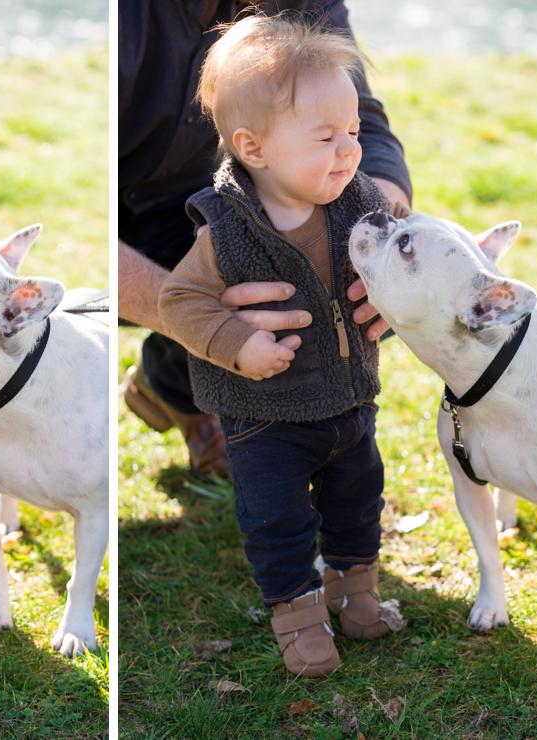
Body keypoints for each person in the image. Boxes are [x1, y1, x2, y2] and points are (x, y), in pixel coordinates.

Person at [157, 14, 406, 677]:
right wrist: (237, 343)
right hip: (263, 419)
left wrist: (394, 293)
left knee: (359, 498)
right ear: (254, 147)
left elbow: (402, 259)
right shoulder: (226, 229)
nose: (349, 151)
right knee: (279, 520)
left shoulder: (357, 205)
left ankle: (357, 591)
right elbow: (178, 301)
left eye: (352, 132)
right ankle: (297, 615)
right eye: (326, 137)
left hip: (349, 399)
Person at [119, 0, 411, 478]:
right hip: (124, 228)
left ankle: (169, 380)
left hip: (240, 197)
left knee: (382, 273)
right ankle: (217, 399)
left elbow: (369, 126)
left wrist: (377, 238)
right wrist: (202, 321)